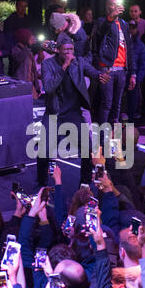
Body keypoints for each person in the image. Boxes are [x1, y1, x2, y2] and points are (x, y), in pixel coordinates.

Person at [36, 33, 110, 186]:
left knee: (87, 149)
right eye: (65, 50)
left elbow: (92, 72)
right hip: (54, 114)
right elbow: (49, 87)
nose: (69, 53)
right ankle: (42, 184)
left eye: (71, 49)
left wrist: (100, 76)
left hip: (73, 113)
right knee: (44, 150)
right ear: (58, 50)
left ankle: (84, 184)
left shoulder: (79, 62)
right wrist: (64, 67)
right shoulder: (47, 64)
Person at [93, 0, 136, 124]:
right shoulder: (101, 21)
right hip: (107, 69)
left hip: (122, 69)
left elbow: (130, 48)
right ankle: (102, 138)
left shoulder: (124, 24)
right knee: (106, 103)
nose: (115, 7)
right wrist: (110, 18)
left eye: (118, 5)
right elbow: (100, 35)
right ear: (107, 7)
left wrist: (133, 72)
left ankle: (115, 137)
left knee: (118, 105)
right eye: (112, 5)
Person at [124, 21, 145, 123]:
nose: (131, 29)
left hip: (133, 78)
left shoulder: (140, 46)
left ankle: (129, 134)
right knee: (119, 107)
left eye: (133, 27)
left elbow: (143, 64)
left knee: (131, 106)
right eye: (129, 27)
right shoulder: (120, 43)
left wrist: (138, 79)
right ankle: (117, 133)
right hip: (120, 76)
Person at [11, 28, 41, 99]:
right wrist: (26, 47)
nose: (32, 38)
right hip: (21, 85)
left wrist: (37, 87)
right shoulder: (15, 49)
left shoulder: (28, 51)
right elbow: (18, 60)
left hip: (30, 84)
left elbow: (33, 70)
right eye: (29, 37)